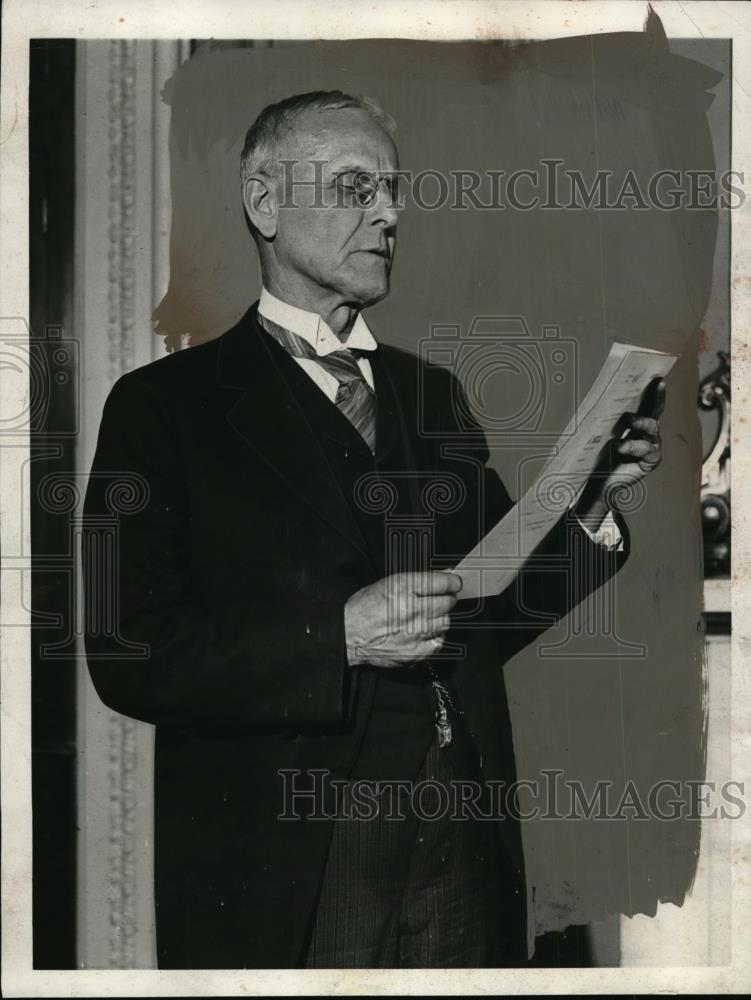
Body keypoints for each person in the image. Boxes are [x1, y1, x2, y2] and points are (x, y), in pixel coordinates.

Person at [83, 90, 664, 969]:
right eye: (356, 187)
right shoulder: (164, 407)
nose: (389, 213)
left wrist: (586, 510)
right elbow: (129, 653)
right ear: (265, 203)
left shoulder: (431, 395)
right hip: (292, 864)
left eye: (393, 190)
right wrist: (340, 638)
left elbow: (487, 613)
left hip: (464, 841)